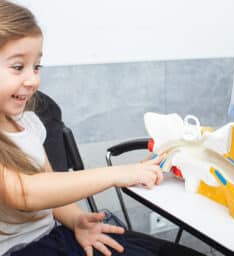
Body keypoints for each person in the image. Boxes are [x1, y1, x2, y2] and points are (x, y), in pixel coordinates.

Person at [0, 1, 206, 255]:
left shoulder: (29, 124)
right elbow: (24, 194)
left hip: (52, 235)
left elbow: (49, 190)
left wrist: (76, 220)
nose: (33, 80)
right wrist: (117, 174)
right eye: (18, 67)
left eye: (36, 66)